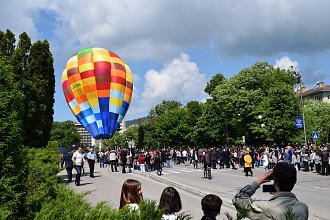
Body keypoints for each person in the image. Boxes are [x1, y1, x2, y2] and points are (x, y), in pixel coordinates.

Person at [233, 162, 309, 220]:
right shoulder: (303, 208)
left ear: (275, 182)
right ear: (294, 181)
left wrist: (259, 180)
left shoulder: (265, 207)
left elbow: (238, 199)